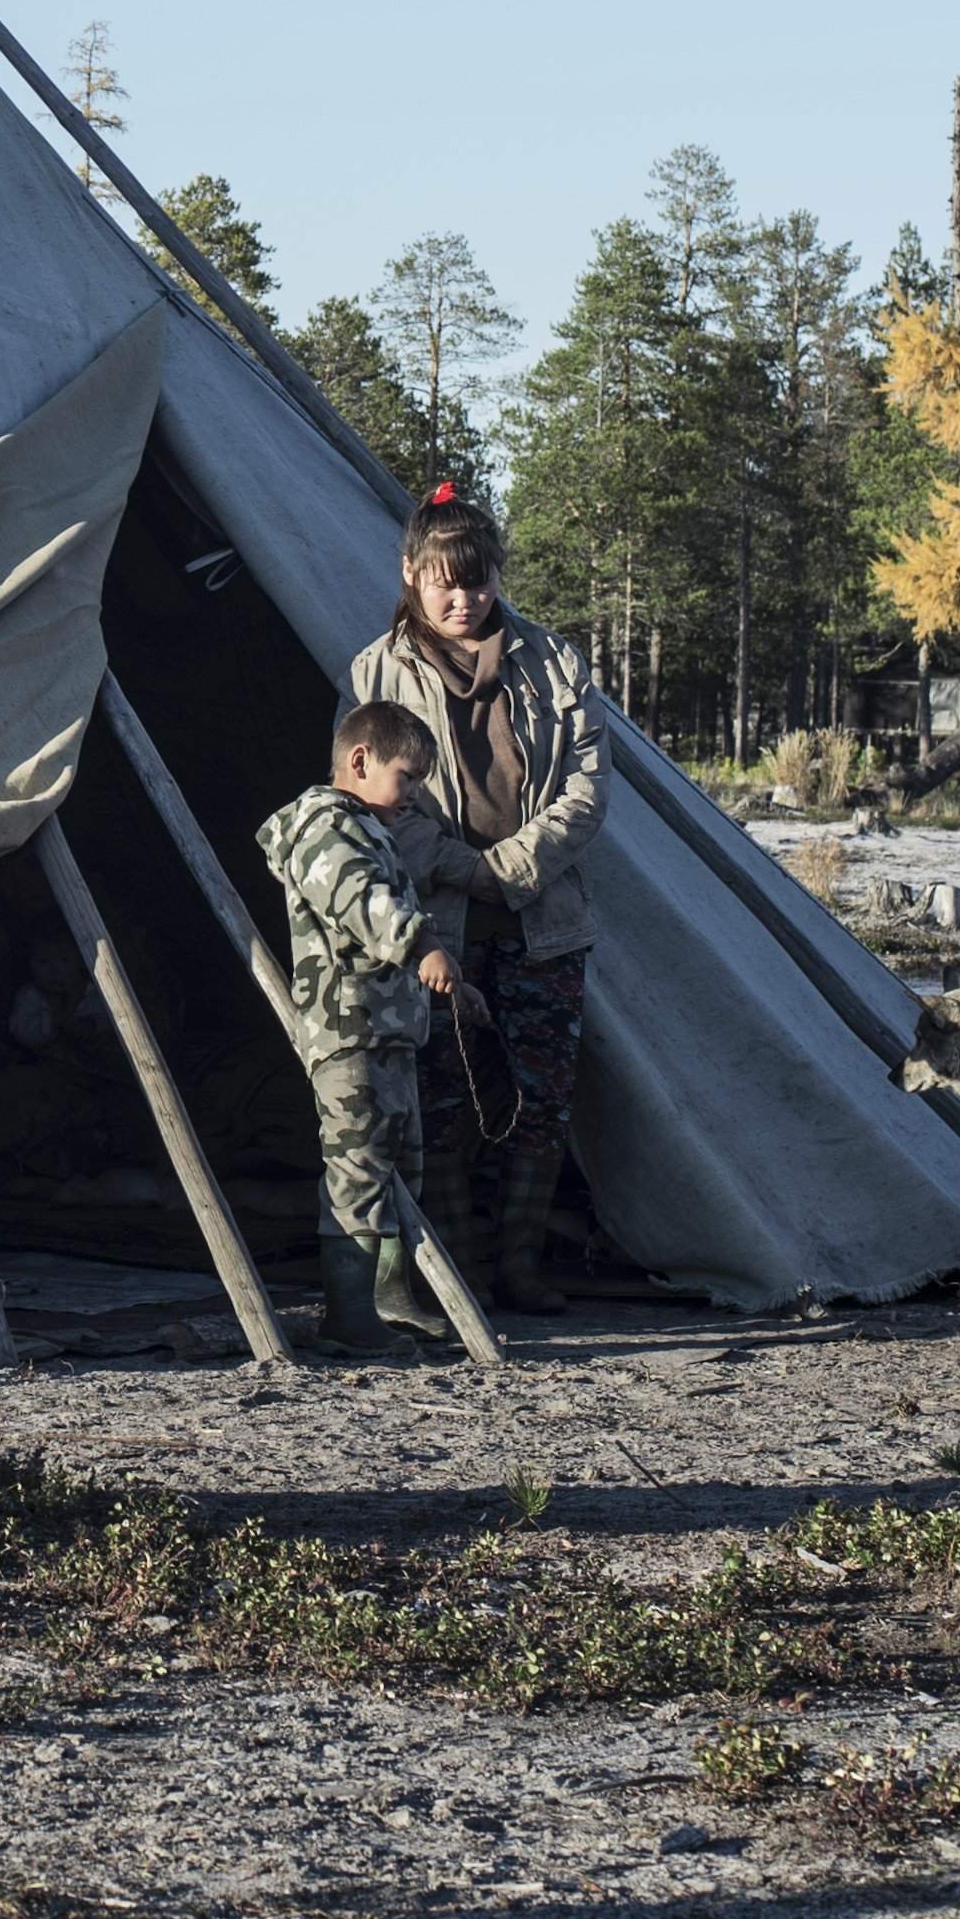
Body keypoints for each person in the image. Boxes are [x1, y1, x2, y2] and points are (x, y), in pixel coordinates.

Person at [348, 484, 606, 1312]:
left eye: (478, 580)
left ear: (499, 575)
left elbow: (587, 789)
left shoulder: (554, 665)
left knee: (539, 1097)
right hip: (438, 925)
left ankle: (521, 1267)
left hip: (542, 925)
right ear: (411, 575)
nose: (462, 599)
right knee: (445, 1098)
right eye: (442, 581)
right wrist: (465, 868)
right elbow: (374, 800)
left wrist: (515, 867)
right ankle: (456, 1269)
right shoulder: (377, 671)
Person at [254, 701, 471, 1355]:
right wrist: (421, 944)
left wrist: (457, 985)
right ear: (360, 761)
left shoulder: (367, 828)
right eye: (406, 776)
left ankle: (390, 1298)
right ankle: (349, 1318)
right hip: (348, 1028)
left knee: (398, 1165)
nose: (412, 794)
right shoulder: (326, 829)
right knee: (356, 1171)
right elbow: (360, 903)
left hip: (388, 1028)